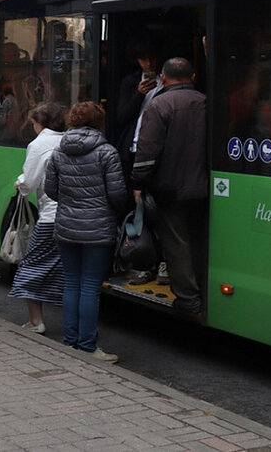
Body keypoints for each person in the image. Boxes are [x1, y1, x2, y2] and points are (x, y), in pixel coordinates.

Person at [44, 101, 126, 361]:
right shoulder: (107, 153)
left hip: (66, 226)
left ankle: (70, 342)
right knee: (90, 286)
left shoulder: (59, 152)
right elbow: (117, 194)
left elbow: (50, 190)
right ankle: (88, 346)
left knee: (72, 283)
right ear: (98, 122)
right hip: (98, 228)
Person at [132, 57, 208, 316]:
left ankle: (188, 299)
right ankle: (203, 291)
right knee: (199, 240)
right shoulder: (206, 102)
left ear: (163, 78)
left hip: (170, 188)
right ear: (193, 76)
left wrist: (139, 183)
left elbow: (147, 151)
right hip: (203, 187)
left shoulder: (159, 104)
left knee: (176, 244)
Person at [8, 103, 68, 333]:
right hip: (77, 217)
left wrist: (20, 182)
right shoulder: (69, 139)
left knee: (30, 267)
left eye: (33, 123)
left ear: (40, 123)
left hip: (51, 217)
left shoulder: (39, 144)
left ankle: (36, 321)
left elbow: (30, 182)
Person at [113, 42, 163, 284]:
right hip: (132, 151)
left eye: (152, 57)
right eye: (144, 59)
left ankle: (157, 260)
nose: (149, 63)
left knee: (155, 209)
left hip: (158, 155)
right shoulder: (131, 81)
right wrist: (139, 94)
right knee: (133, 208)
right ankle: (135, 258)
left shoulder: (168, 81)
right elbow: (121, 116)